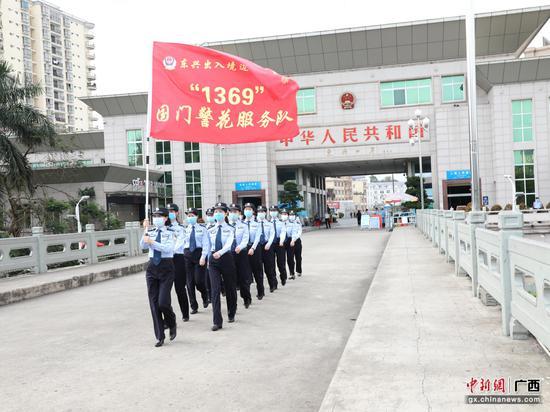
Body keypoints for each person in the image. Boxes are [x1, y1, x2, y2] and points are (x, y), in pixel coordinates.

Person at [140, 207, 177, 347]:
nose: (156, 218)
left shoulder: (171, 233)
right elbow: (142, 245)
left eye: (159, 216)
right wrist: (145, 230)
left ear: (166, 218)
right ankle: (159, 336)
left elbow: (168, 249)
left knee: (163, 302)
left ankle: (171, 321)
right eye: (154, 216)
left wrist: (152, 242)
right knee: (154, 303)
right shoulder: (150, 231)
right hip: (152, 268)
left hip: (166, 267)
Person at [207, 202, 237, 331]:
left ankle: (231, 312)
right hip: (213, 260)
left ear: (226, 214)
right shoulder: (210, 229)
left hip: (226, 258)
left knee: (230, 288)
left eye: (220, 212)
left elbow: (229, 244)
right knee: (215, 290)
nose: (218, 214)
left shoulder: (230, 228)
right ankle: (217, 321)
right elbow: (207, 245)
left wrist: (221, 252)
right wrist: (207, 258)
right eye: (216, 212)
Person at [182, 207, 210, 315]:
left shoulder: (202, 229)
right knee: (189, 282)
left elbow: (206, 244)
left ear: (197, 216)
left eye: (192, 216)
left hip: (199, 255)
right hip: (187, 254)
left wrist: (203, 256)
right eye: (188, 216)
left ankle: (205, 295)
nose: (190, 218)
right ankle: (193, 306)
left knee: (199, 281)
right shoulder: (185, 229)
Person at [167, 203, 189, 322]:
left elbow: (179, 243)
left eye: (172, 211)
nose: (170, 213)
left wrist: (168, 251)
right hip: (165, 260)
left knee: (180, 288)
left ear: (176, 213)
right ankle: (169, 317)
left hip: (177, 258)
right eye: (168, 211)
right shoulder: (163, 228)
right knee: (165, 290)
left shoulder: (181, 228)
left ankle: (185, 313)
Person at [228, 204, 253, 309]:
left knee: (243, 278)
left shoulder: (243, 225)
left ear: (239, 213)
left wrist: (240, 246)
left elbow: (245, 238)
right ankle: (233, 303)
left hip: (241, 253)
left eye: (235, 212)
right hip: (229, 254)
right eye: (231, 212)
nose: (233, 214)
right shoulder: (225, 225)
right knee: (231, 279)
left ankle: (246, 298)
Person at [243, 202, 264, 300]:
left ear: (253, 211)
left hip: (255, 248)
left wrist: (253, 248)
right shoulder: (241, 224)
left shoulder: (257, 224)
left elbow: (257, 238)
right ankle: (247, 298)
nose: (247, 211)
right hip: (244, 249)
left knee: (257, 271)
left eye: (249, 209)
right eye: (246, 209)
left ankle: (260, 291)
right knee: (245, 273)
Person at [256, 205, 277, 292]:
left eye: (262, 212)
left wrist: (269, 243)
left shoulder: (269, 224)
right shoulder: (254, 224)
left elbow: (272, 234)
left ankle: (272, 284)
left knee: (269, 267)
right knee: (258, 269)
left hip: (267, 246)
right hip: (258, 247)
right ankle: (261, 289)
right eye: (259, 212)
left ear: (265, 213)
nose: (261, 213)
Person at [270, 206, 288, 286]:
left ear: (277, 212)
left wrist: (281, 241)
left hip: (279, 243)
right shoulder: (267, 222)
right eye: (271, 210)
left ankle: (283, 276)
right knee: (271, 263)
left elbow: (283, 232)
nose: (273, 212)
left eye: (274, 210)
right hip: (270, 244)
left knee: (281, 262)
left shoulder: (281, 222)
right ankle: (274, 282)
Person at [283, 209, 303, 279]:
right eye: (290, 215)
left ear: (295, 216)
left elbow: (299, 233)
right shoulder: (285, 223)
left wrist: (293, 240)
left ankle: (299, 270)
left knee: (298, 257)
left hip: (296, 241)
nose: (291, 216)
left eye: (293, 215)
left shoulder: (298, 223)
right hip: (288, 241)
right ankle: (292, 273)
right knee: (289, 257)